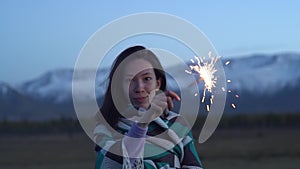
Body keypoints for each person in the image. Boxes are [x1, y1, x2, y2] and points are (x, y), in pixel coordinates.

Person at [94, 45, 203, 169]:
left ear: (158, 83)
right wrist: (143, 122)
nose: (139, 88)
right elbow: (110, 165)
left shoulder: (177, 124)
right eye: (130, 80)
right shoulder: (107, 128)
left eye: (147, 78)